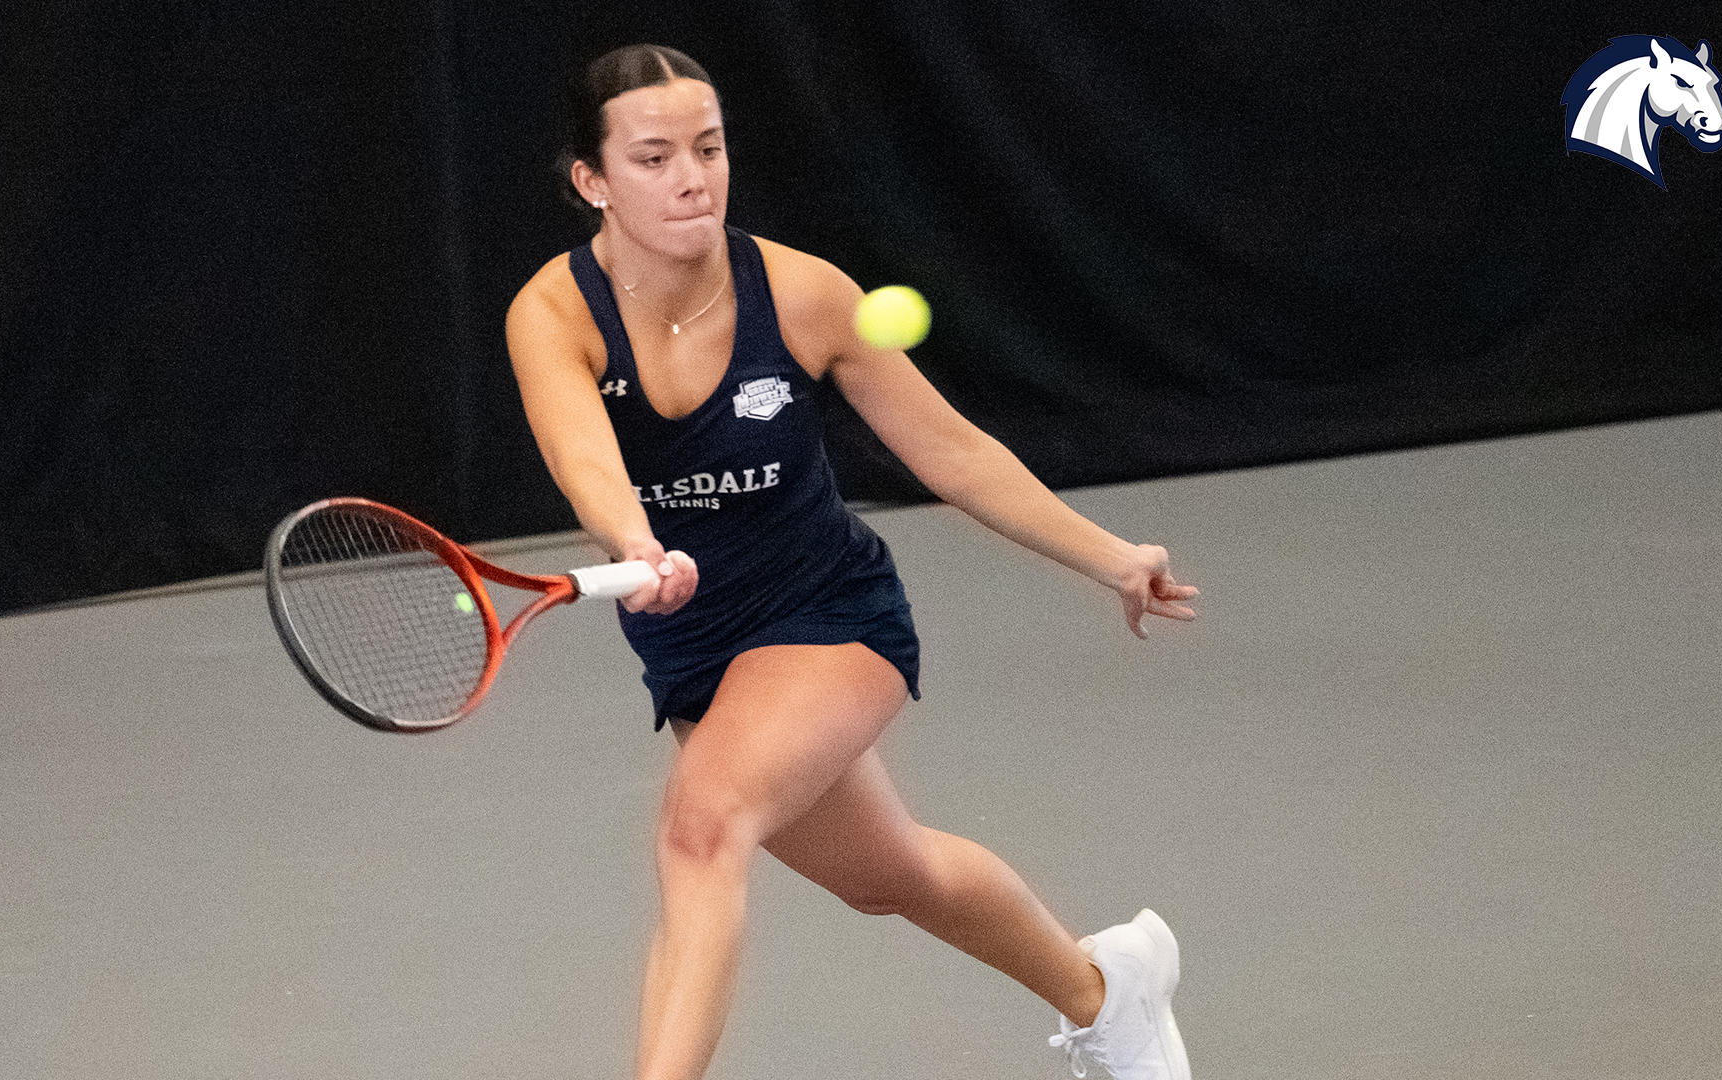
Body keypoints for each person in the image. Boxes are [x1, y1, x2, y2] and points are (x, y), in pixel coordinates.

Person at [504, 44, 1200, 1080]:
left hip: (828, 615)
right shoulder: (552, 315)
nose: (692, 176)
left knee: (701, 828)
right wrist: (633, 542)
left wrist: (1111, 558)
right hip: (694, 649)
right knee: (892, 874)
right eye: (652, 158)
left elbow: (954, 451)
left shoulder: (802, 295)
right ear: (590, 182)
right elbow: (581, 457)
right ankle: (1109, 993)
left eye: (708, 147)